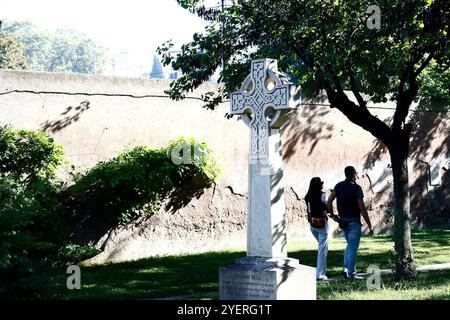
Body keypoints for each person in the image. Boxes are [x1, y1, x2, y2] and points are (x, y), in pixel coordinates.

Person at [327, 166, 374, 280]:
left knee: (349, 245)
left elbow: (329, 201)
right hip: (354, 222)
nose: (357, 175)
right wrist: (369, 224)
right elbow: (362, 208)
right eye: (356, 173)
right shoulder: (357, 188)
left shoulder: (338, 186)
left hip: (343, 222)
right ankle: (351, 273)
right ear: (353, 174)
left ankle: (345, 268)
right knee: (353, 247)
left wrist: (333, 215)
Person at [305, 177, 329, 281]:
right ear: (320, 185)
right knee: (322, 249)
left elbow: (309, 211)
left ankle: (321, 272)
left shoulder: (308, 196)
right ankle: (320, 274)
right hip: (322, 224)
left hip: (313, 225)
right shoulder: (322, 194)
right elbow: (327, 207)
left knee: (322, 248)